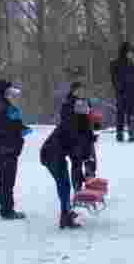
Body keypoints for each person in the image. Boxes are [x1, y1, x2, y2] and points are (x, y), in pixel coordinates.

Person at [40, 96, 94, 229]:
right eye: (81, 109)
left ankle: (66, 212)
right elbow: (76, 153)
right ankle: (65, 217)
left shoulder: (76, 122)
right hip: (51, 155)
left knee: (63, 184)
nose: (85, 111)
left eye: (86, 108)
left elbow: (77, 153)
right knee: (63, 185)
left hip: (56, 154)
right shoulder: (73, 124)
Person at [0, 80, 28, 219]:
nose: (11, 94)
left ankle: (7, 208)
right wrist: (17, 130)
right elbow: (3, 129)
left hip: (6, 148)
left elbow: (9, 125)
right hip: (5, 149)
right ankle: (7, 210)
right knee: (7, 180)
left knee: (6, 180)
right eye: (9, 92)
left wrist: (20, 128)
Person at [110, 42, 134, 142]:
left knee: (132, 114)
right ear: (125, 52)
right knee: (120, 113)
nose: (131, 54)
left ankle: (132, 133)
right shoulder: (115, 63)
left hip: (131, 92)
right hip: (121, 93)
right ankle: (120, 133)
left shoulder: (131, 64)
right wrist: (119, 89)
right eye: (130, 52)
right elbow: (114, 79)